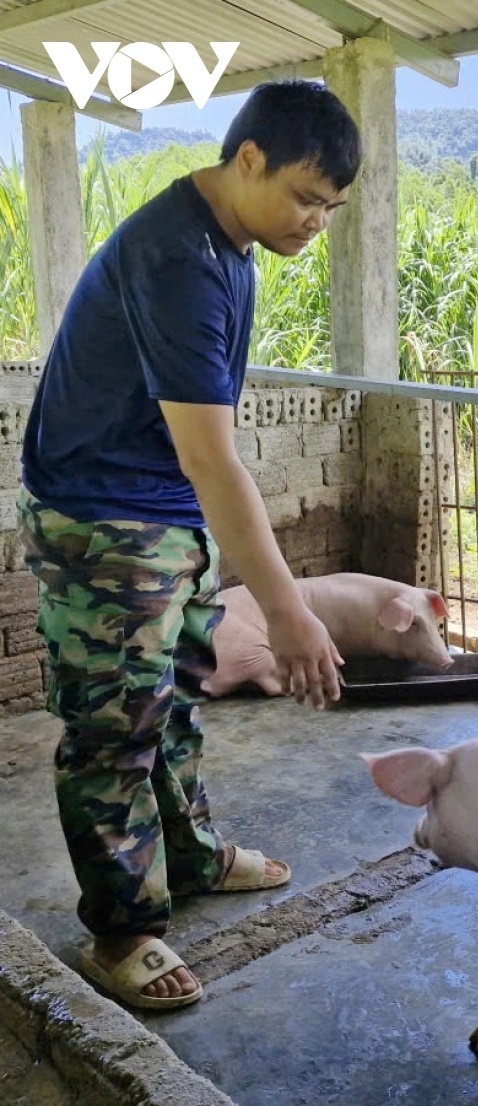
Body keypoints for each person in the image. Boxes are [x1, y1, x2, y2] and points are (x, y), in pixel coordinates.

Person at [18, 80, 361, 1011]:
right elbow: (213, 456)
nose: (315, 222)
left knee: (170, 706)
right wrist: (289, 612)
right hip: (103, 515)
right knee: (115, 728)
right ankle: (122, 931)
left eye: (330, 208)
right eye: (305, 197)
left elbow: (199, 450)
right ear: (247, 158)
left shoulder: (229, 244)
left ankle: (189, 855)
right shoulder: (178, 257)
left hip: (164, 511)